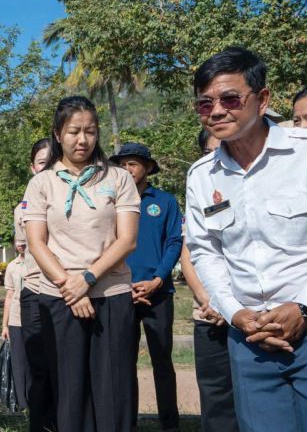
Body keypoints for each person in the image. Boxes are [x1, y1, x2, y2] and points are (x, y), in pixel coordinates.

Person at [186, 47, 307, 432]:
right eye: (205, 104)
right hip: (249, 338)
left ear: (263, 99)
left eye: (230, 99)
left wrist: (304, 308)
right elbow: (206, 251)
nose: (217, 111)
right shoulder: (202, 176)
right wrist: (235, 312)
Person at [23, 96, 140, 432]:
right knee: (69, 389)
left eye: (90, 131)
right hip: (60, 297)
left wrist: (87, 278)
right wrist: (69, 286)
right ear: (58, 134)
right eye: (73, 131)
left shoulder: (118, 178)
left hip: (111, 292)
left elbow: (127, 240)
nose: (83, 139)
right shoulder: (41, 183)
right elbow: (36, 243)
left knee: (114, 388)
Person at [111, 142, 182, 432]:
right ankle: (125, 422)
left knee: (162, 361)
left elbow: (175, 242)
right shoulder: (110, 201)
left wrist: (157, 279)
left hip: (158, 293)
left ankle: (171, 424)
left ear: (148, 168)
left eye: (134, 164)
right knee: (122, 364)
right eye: (123, 164)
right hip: (120, 293)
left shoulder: (165, 201)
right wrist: (122, 284)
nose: (127, 169)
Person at [180, 130, 239, 432]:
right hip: (209, 314)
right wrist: (209, 299)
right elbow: (190, 253)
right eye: (211, 150)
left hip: (251, 313)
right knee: (216, 396)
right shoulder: (201, 189)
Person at [14, 137, 55, 432]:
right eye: (42, 162)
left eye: (52, 161)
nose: (47, 167)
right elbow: (23, 249)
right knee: (38, 367)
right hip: (34, 290)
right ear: (32, 167)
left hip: (70, 291)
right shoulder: (22, 209)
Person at [1, 241, 28, 409]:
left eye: (24, 241)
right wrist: (5, 325)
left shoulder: (39, 264)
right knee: (19, 363)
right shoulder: (12, 266)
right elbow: (9, 296)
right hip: (16, 319)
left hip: (36, 318)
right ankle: (22, 404)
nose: (21, 244)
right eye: (18, 241)